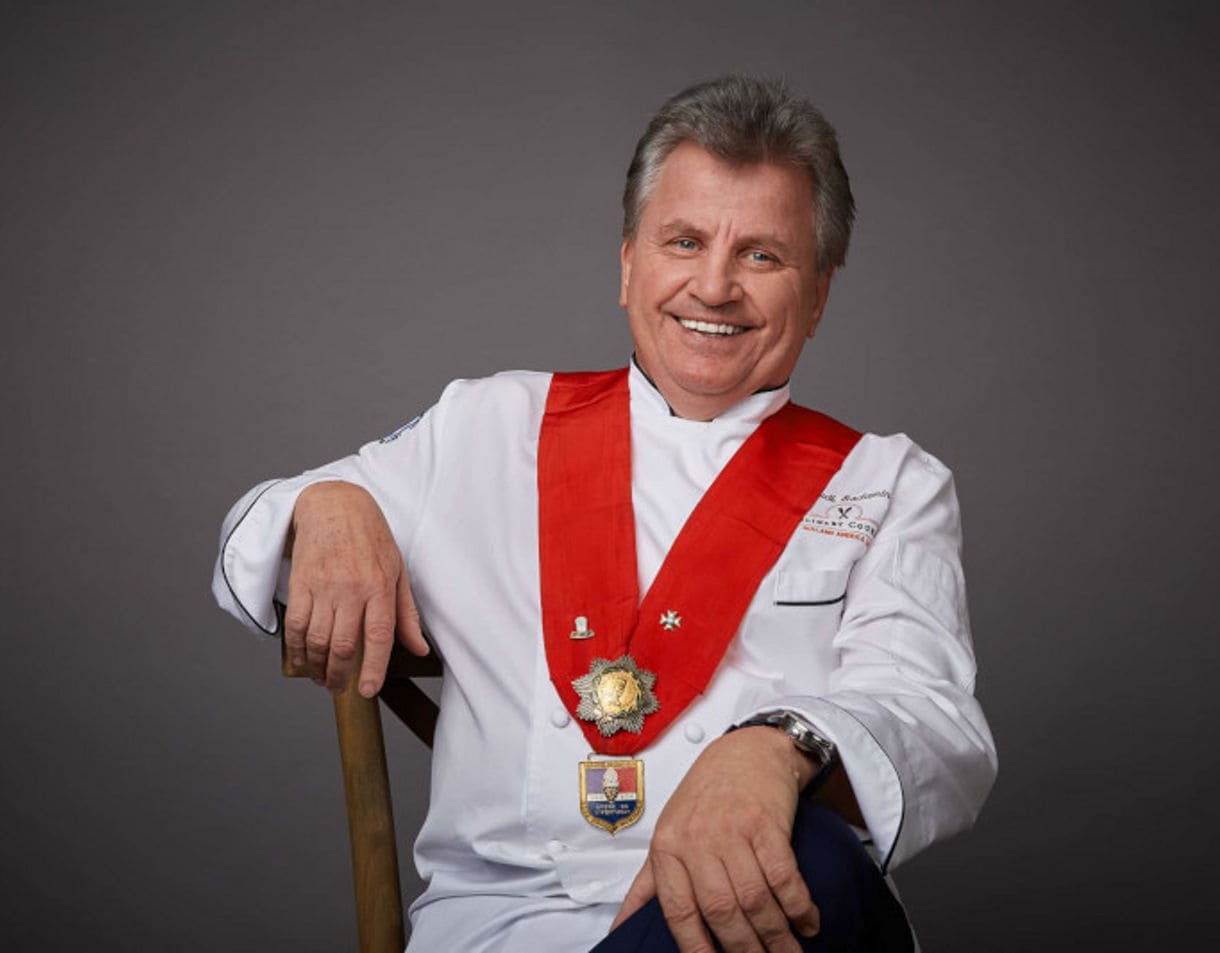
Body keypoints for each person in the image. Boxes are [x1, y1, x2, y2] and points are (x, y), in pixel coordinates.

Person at [213, 74, 997, 952]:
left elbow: (933, 720)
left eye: (762, 256)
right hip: (505, 926)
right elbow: (256, 544)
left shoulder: (888, 481)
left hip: (763, 925)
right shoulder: (488, 423)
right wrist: (328, 502)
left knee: (800, 850)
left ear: (817, 294)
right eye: (685, 241)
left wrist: (774, 747)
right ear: (629, 265)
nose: (714, 286)